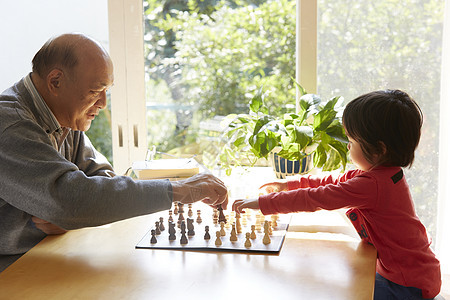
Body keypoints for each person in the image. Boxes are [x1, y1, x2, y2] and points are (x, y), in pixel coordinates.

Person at [0, 33, 228, 272]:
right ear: (56, 82)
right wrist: (180, 189)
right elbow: (71, 199)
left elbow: (100, 183)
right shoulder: (9, 125)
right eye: (95, 90)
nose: (103, 103)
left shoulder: (65, 117)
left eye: (106, 90)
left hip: (44, 259)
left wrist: (70, 213)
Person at [233, 90, 441, 299]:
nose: (348, 146)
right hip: (414, 272)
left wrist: (262, 203)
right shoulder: (381, 174)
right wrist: (288, 184)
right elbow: (332, 181)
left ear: (379, 149)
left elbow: (317, 198)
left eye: (352, 141)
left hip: (406, 284)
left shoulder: (373, 185)